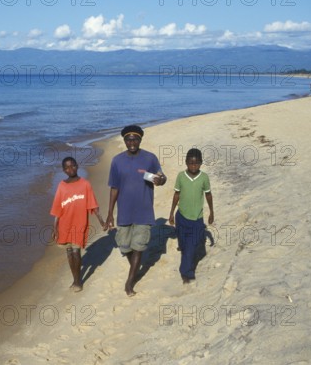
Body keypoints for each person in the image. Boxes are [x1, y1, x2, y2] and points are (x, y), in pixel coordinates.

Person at [105, 125, 166, 296]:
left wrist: (160, 180)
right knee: (125, 246)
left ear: (140, 140)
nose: (132, 142)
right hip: (124, 211)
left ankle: (130, 282)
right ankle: (135, 269)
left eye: (135, 139)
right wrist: (110, 213)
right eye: (128, 139)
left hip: (143, 211)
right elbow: (114, 188)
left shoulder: (150, 158)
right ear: (124, 141)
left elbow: (162, 177)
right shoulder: (117, 161)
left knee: (139, 246)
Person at [51, 156, 104, 292]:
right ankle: (74, 278)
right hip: (64, 224)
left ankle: (78, 281)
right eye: (67, 167)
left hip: (79, 223)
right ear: (63, 170)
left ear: (77, 166)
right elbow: (57, 208)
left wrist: (102, 221)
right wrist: (54, 227)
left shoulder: (85, 184)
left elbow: (93, 204)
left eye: (73, 166)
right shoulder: (61, 186)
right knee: (69, 252)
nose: (70, 169)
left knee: (76, 251)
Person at [168, 148, 214, 284]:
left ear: (201, 163)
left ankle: (186, 273)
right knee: (183, 244)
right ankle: (183, 251)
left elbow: (208, 195)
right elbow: (176, 194)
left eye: (196, 163)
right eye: (190, 163)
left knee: (191, 247)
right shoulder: (181, 176)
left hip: (196, 219)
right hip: (181, 217)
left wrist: (212, 212)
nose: (193, 166)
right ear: (186, 162)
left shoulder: (204, 177)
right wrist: (171, 212)